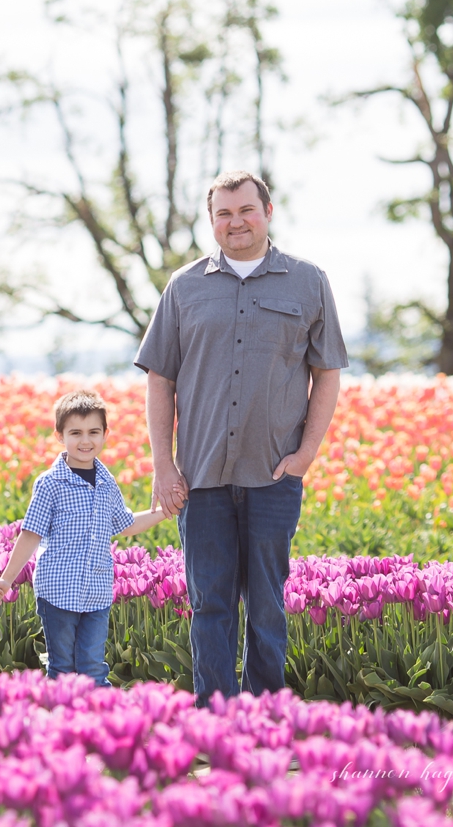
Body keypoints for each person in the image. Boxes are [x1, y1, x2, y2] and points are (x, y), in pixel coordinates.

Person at [135, 171, 346, 705]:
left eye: (246, 210)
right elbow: (160, 378)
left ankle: (266, 714)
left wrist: (303, 457)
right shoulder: (184, 287)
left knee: (268, 603)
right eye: (223, 214)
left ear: (268, 211)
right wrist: (164, 465)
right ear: (211, 222)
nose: (236, 222)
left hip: (273, 474)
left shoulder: (309, 281)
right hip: (201, 476)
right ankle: (216, 718)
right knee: (210, 604)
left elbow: (328, 375)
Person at [0, 390, 173, 685]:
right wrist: (7, 579)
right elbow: (30, 534)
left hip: (97, 592)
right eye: (76, 433)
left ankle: (99, 726)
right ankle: (60, 726)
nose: (85, 441)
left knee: (92, 665)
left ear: (105, 434)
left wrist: (165, 511)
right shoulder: (50, 484)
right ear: (60, 435)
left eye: (93, 432)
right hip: (58, 590)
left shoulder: (107, 482)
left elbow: (125, 525)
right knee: (62, 667)